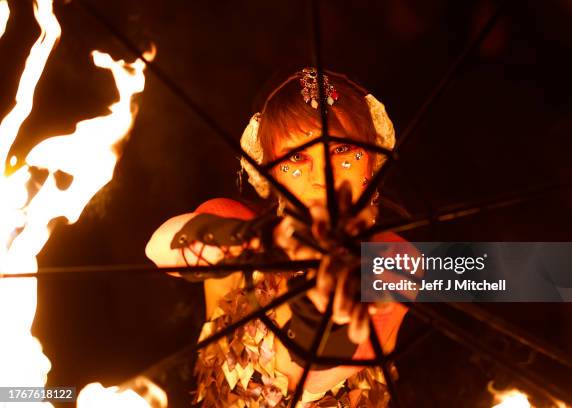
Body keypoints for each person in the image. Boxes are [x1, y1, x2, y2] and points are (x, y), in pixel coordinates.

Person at [146, 68, 414, 407]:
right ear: (270, 173)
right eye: (297, 158)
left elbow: (317, 373)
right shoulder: (233, 221)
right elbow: (160, 250)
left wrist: (330, 277)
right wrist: (266, 241)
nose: (323, 177)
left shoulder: (393, 258)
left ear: (371, 160)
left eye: (343, 149)